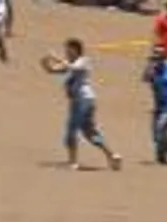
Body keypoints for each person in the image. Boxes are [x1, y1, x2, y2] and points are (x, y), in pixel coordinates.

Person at [40, 40, 120, 171]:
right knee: (89, 132)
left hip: (82, 100)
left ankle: (73, 162)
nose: (66, 52)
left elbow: (74, 67)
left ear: (75, 50)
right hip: (81, 101)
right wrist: (45, 61)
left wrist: (56, 58)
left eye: (68, 50)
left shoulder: (84, 60)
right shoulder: (70, 63)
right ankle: (112, 155)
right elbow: (52, 70)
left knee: (71, 130)